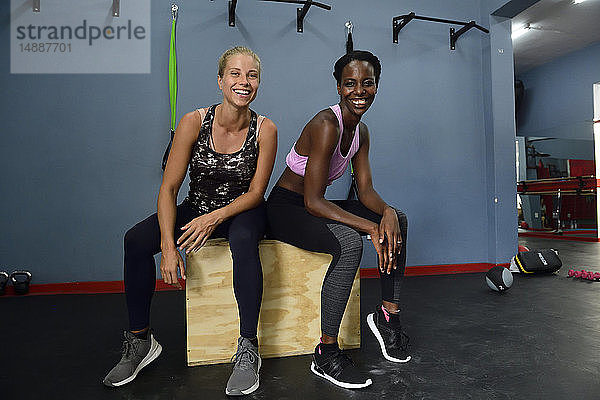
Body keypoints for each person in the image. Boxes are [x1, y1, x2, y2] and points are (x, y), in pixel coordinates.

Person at [103, 46, 278, 396]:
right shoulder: (194, 122)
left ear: (258, 82)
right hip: (196, 206)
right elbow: (168, 188)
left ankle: (248, 347)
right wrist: (169, 246)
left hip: (242, 211)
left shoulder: (265, 129)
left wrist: (214, 218)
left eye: (252, 75)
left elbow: (257, 193)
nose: (244, 82)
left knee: (243, 240)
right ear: (220, 80)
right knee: (136, 241)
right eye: (235, 74)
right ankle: (140, 341)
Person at [266, 47, 409, 389]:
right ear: (339, 87)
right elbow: (313, 202)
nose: (359, 91)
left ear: (376, 86)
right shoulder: (326, 124)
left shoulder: (362, 132)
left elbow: (366, 191)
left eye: (367, 83)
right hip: (286, 208)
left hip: (312, 203)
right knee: (348, 243)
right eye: (350, 83)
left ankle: (388, 317)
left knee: (399, 219)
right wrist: (370, 227)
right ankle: (326, 352)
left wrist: (385, 212)